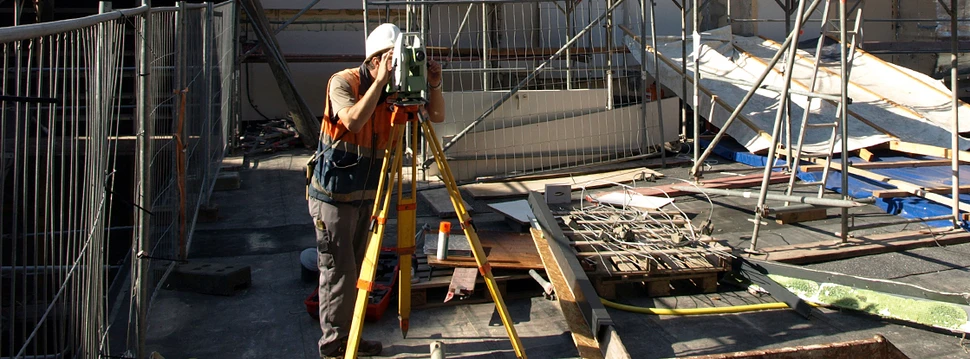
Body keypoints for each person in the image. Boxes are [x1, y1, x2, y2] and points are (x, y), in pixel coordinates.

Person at [306, 23, 445, 358]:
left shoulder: (393, 96)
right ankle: (335, 345)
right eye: (397, 61)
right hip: (333, 196)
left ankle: (350, 335)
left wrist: (434, 84)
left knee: (356, 269)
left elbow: (437, 115)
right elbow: (353, 121)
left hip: (367, 196)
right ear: (378, 59)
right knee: (339, 272)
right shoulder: (343, 82)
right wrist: (382, 82)